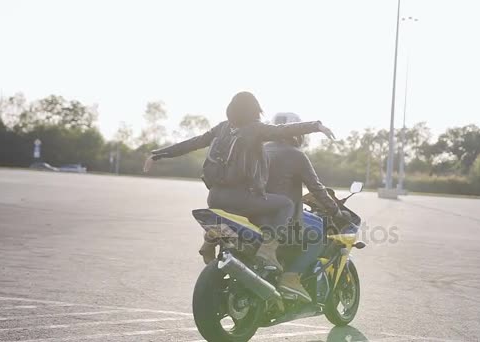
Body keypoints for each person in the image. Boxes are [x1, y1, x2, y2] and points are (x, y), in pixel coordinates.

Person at [143, 92, 335, 287]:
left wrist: (158, 154)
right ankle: (268, 250)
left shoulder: (222, 128)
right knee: (286, 204)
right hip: (242, 199)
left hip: (215, 198)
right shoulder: (256, 130)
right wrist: (316, 126)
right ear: (254, 110)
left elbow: (193, 143)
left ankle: (211, 239)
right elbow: (283, 130)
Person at [264, 112, 347, 302]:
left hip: (256, 212)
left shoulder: (261, 150)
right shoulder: (296, 155)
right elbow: (317, 189)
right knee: (319, 233)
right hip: (283, 215)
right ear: (296, 131)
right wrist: (336, 211)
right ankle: (291, 277)